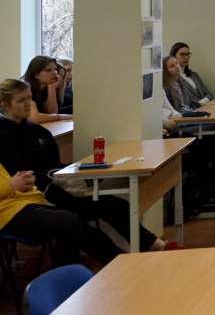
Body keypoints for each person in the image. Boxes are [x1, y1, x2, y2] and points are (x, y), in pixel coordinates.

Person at [0, 78, 177, 252]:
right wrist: (58, 174)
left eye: (29, 98)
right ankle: (118, 259)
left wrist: (76, 169)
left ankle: (152, 245)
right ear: (5, 104)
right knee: (73, 221)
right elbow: (18, 175)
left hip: (60, 186)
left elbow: (55, 163)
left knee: (116, 205)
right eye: (21, 100)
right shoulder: (3, 135)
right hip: (40, 194)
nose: (28, 104)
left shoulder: (39, 132)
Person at [1, 163, 121, 266]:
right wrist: (12, 185)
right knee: (68, 222)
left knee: (70, 223)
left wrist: (24, 185)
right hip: (7, 215)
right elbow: (9, 187)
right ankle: (119, 263)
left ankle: (69, 276)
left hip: (23, 204)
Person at [22, 56, 73, 125]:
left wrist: (51, 88)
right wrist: (61, 116)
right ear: (36, 75)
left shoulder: (47, 88)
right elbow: (34, 117)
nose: (54, 73)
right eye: (48, 70)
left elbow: (52, 113)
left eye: (55, 69)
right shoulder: (24, 88)